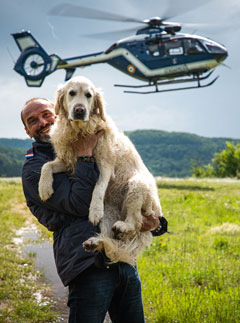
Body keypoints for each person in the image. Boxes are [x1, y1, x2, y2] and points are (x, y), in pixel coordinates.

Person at [21, 97, 168, 323]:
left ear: (60, 113)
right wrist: (85, 155)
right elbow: (80, 205)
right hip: (86, 263)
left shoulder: (94, 142)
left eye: (47, 114)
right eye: (33, 120)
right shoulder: (35, 168)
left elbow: (127, 181)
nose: (43, 122)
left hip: (124, 260)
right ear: (27, 131)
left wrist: (156, 223)